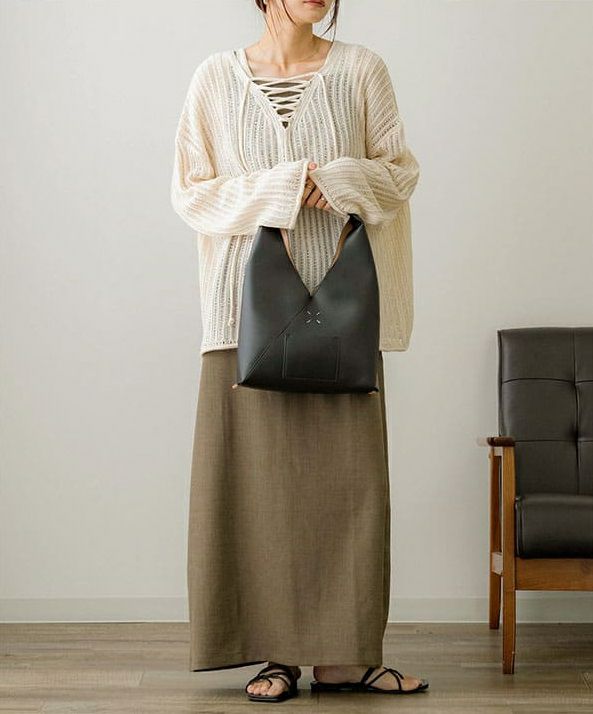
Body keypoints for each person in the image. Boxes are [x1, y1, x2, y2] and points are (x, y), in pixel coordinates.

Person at [170, 0, 428, 703]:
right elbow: (191, 195)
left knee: (349, 488)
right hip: (243, 316)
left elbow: (399, 172)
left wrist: (338, 180)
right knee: (258, 491)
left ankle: (346, 657)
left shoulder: (361, 70)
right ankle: (276, 655)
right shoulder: (215, 79)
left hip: (341, 310)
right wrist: (283, 188)